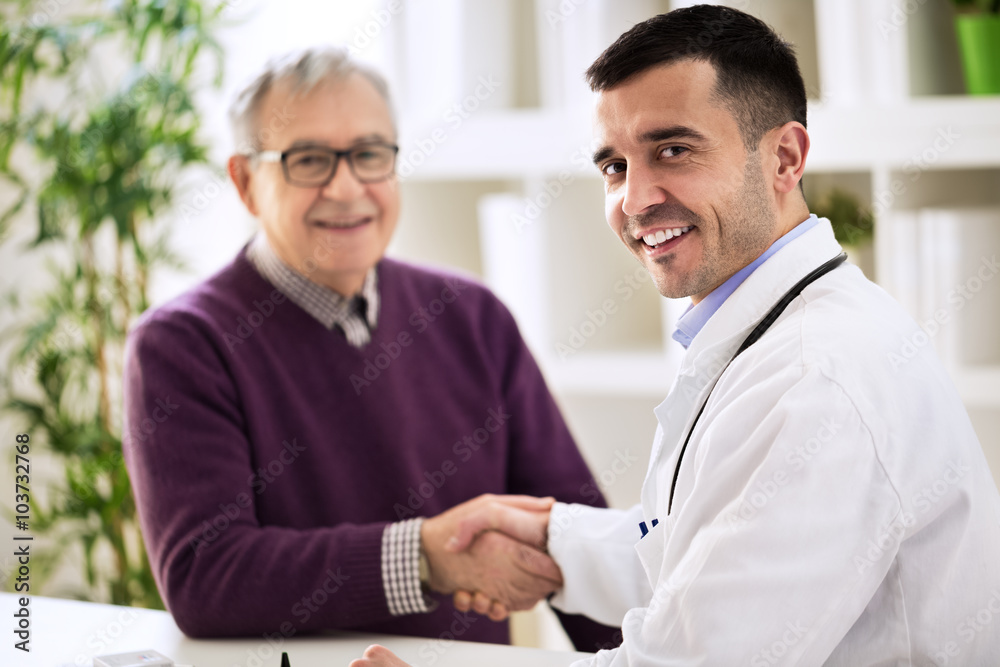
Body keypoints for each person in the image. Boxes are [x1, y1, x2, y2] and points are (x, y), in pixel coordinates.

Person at [349, 6, 1000, 666]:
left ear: (784, 157)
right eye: (614, 166)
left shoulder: (814, 378)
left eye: (673, 151)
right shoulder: (777, 329)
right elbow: (709, 565)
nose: (634, 201)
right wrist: (552, 542)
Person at [122, 49, 620, 649]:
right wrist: (426, 557)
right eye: (309, 160)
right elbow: (206, 575)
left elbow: (577, 537)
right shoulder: (182, 344)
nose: (345, 187)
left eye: (369, 154)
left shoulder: (474, 316)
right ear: (246, 182)